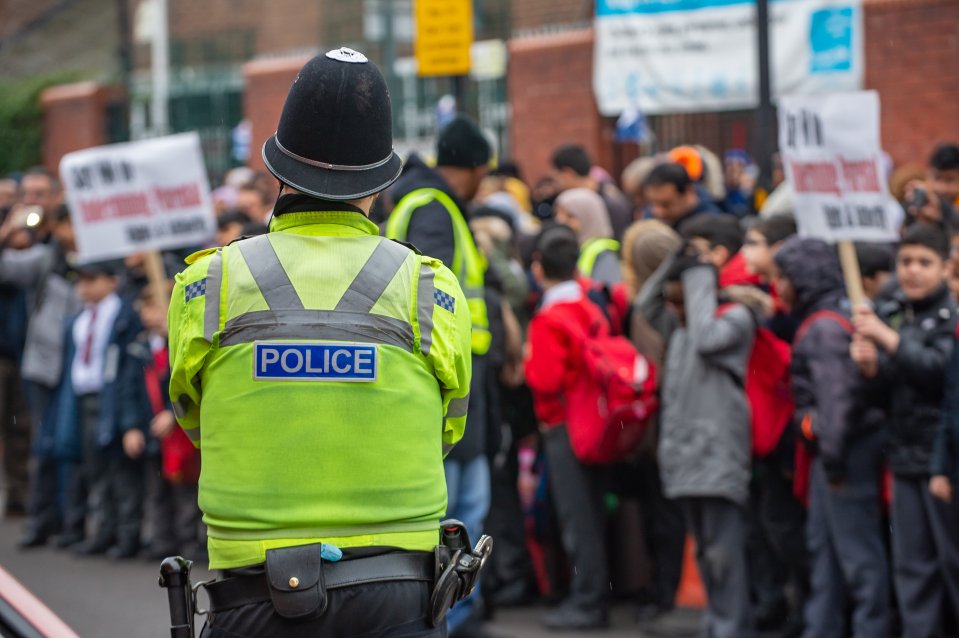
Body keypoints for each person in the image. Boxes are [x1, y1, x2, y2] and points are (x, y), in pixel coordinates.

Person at [167, 48, 473, 637]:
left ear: (278, 174)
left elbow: (194, 414)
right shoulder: (429, 287)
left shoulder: (208, 282)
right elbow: (448, 424)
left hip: (251, 592)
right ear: (381, 183)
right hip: (400, 590)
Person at [385, 114, 494, 636]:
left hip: (442, 377)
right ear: (471, 168)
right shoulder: (434, 206)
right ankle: (455, 614)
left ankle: (454, 612)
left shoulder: (416, 199)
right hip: (450, 379)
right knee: (459, 510)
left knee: (459, 504)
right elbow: (439, 302)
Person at [774, 238, 890, 638]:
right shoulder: (829, 317)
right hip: (836, 452)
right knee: (828, 554)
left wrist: (833, 455)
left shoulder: (823, 327)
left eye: (782, 278)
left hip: (843, 453)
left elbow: (836, 402)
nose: (778, 287)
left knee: (858, 558)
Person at [851, 223, 959, 638]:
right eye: (906, 262)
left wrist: (887, 340)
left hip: (944, 464)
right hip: (904, 455)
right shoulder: (895, 312)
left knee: (951, 563)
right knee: (912, 568)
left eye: (924, 263)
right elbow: (884, 393)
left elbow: (939, 373)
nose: (913, 271)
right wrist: (869, 369)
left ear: (945, 268)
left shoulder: (949, 318)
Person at [659, 246, 763, 638]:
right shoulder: (681, 331)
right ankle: (717, 625)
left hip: (717, 455)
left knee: (724, 553)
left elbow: (707, 339)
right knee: (704, 551)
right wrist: (674, 263)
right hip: (686, 457)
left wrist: (700, 275)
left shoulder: (734, 320)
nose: (672, 307)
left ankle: (732, 627)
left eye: (678, 298)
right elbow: (646, 308)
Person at [524, 225, 610, 630]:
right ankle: (594, 596)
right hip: (593, 422)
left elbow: (543, 380)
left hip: (562, 425)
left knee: (578, 518)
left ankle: (587, 602)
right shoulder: (588, 305)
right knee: (591, 513)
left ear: (539, 268)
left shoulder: (549, 318)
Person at [56, 260, 143, 557]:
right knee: (94, 468)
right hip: (83, 397)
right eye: (81, 280)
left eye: (92, 280)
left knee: (119, 468)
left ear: (111, 281)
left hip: (113, 398)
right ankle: (103, 531)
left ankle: (126, 534)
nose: (85, 287)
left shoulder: (123, 314)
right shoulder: (81, 317)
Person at [550, 144, 632, 241]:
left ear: (568, 174)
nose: (561, 221)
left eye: (570, 216)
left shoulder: (612, 204)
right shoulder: (571, 201)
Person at [553, 187, 621, 286]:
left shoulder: (604, 253)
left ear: (589, 217)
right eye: (557, 214)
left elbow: (608, 292)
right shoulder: (577, 248)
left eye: (570, 215)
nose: (560, 221)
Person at [643, 162, 722, 234]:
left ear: (688, 192)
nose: (657, 211)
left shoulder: (711, 226)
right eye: (652, 203)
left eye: (666, 204)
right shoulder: (651, 218)